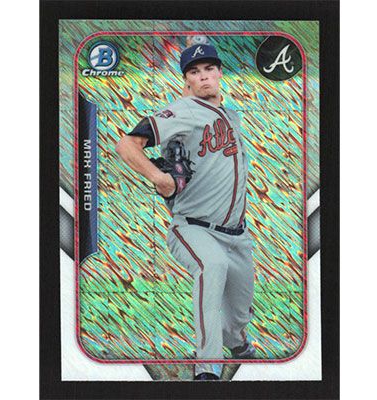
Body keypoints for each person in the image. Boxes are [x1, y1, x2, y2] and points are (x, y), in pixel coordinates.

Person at [116, 43, 256, 380]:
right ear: (186, 81)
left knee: (238, 313)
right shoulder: (182, 110)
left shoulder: (231, 116)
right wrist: (158, 177)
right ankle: (207, 367)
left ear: (219, 73)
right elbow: (126, 144)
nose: (203, 76)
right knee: (212, 266)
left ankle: (236, 341)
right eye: (194, 71)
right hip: (193, 228)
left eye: (209, 69)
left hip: (238, 235)